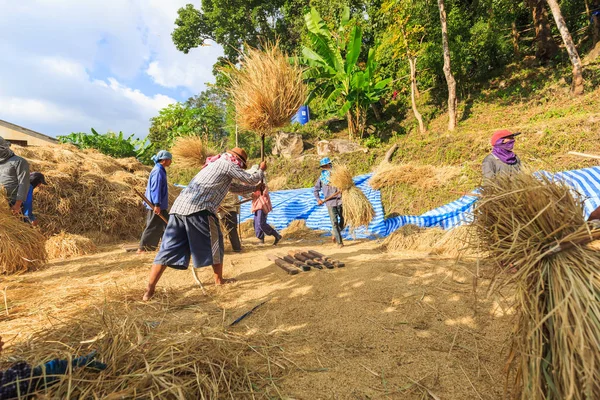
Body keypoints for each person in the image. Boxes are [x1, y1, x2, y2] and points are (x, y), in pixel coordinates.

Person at [142, 147, 266, 301]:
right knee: (216, 243)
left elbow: (235, 187)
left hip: (178, 210)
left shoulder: (216, 166)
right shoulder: (227, 163)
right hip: (199, 210)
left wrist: (255, 188)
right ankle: (219, 280)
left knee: (167, 249)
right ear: (237, 160)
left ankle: (149, 290)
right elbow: (250, 178)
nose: (239, 167)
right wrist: (261, 171)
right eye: (240, 164)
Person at [138, 150, 172, 253]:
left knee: (167, 225)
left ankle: (169, 246)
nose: (171, 162)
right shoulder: (158, 171)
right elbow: (155, 189)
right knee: (152, 227)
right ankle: (142, 249)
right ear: (165, 160)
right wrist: (157, 204)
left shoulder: (160, 169)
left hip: (160, 205)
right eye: (170, 160)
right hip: (156, 205)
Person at [314, 157, 344, 248]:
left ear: (329, 165)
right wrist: (318, 199)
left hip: (340, 201)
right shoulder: (322, 178)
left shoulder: (338, 176)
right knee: (334, 222)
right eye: (323, 166)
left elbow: (346, 185)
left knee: (344, 220)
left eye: (326, 165)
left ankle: (335, 234)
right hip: (330, 203)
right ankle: (340, 243)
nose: (325, 167)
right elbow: (316, 190)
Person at [249, 165, 281, 245]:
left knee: (260, 222)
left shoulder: (262, 181)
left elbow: (264, 192)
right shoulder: (254, 183)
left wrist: (256, 192)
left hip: (262, 204)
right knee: (256, 223)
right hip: (256, 204)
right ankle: (260, 239)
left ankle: (276, 235)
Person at [0, 136, 30, 214]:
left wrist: (17, 205)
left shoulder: (19, 162)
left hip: (12, 202)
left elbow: (24, 184)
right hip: (1, 202)